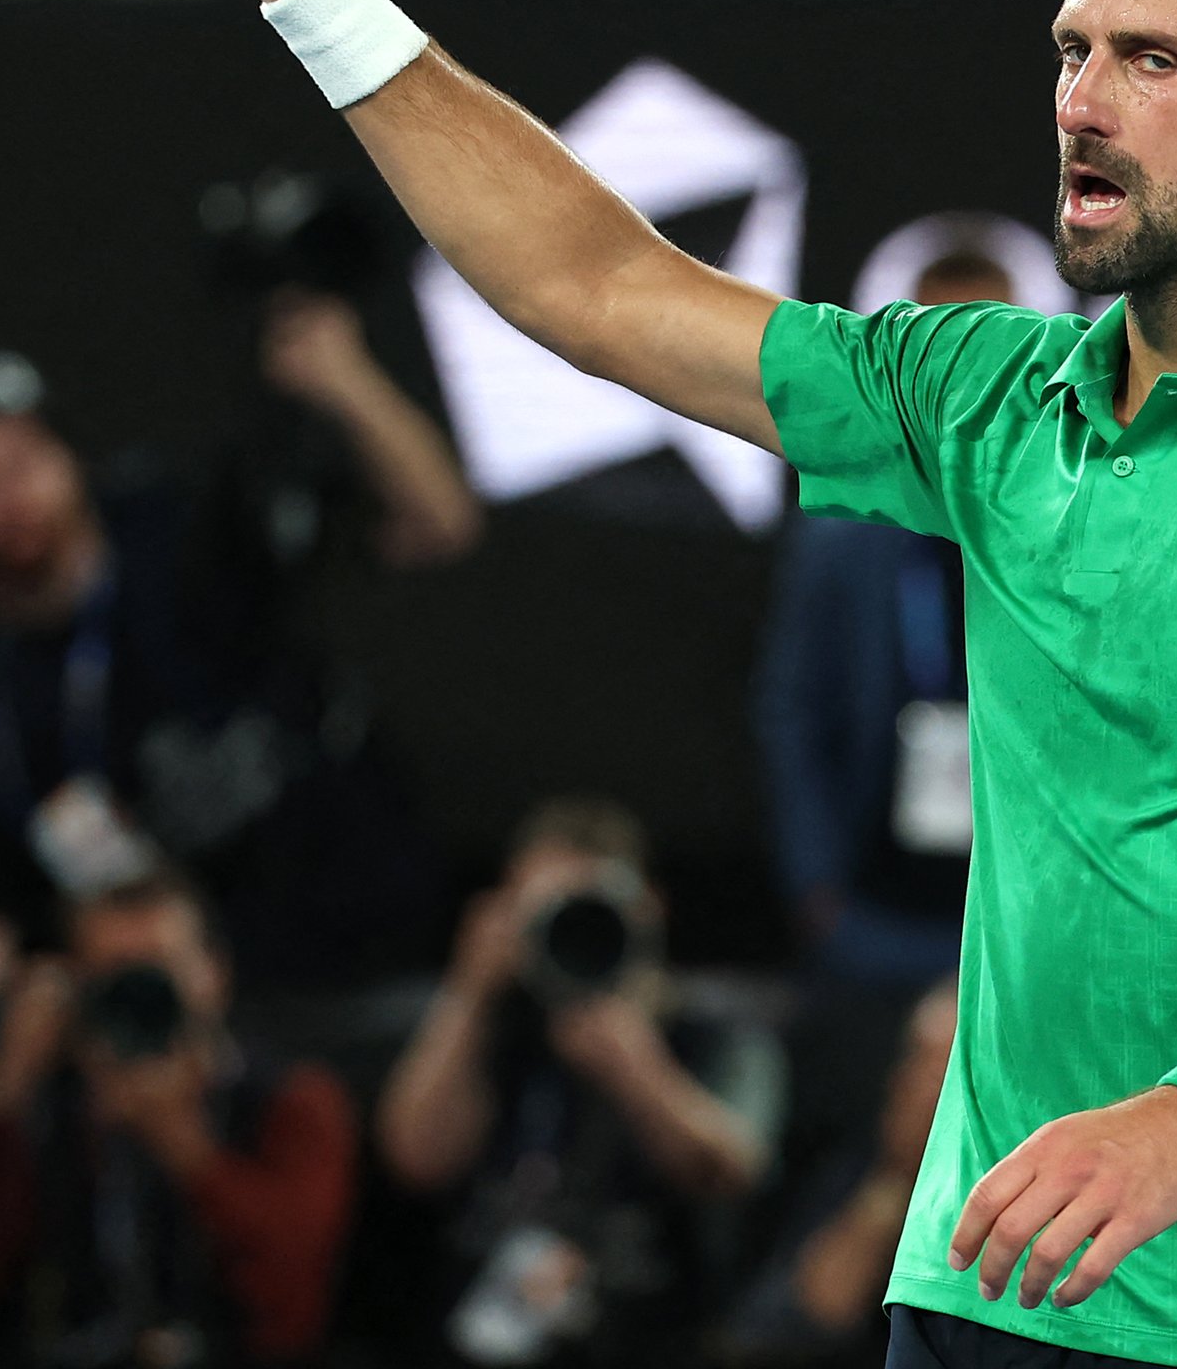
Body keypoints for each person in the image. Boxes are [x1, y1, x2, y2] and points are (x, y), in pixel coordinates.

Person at [149, 0, 1177, 1368]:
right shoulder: (982, 397)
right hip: (991, 1293)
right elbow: (595, 287)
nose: (1085, 104)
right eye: (1074, 50)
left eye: (1154, 60)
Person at [0, 340, 470, 994]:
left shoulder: (188, 533)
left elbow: (437, 524)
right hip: (172, 1009)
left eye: (22, 460)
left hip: (364, 926)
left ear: (70, 457)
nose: (7, 497)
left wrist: (343, 376)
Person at [375, 798, 783, 1364]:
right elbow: (416, 1158)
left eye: (592, 907)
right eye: (544, 910)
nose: (572, 930)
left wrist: (637, 1070)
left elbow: (732, 1168)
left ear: (648, 909)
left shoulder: (714, 1036)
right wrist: (468, 993)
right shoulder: (490, 1029)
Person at [0, 868, 360, 1364]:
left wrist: (186, 1147)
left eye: (157, 971)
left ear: (213, 974)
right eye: (114, 974)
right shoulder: (51, 1109)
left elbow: (290, 1309)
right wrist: (9, 1087)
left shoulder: (293, 1102)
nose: (138, 997)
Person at [758, 254, 996, 997]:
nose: (960, 367)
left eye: (988, 339)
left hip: (1025, 923)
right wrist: (816, 888)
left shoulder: (1074, 521)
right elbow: (791, 710)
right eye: (936, 339)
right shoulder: (844, 526)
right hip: (871, 917)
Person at [719, 979, 961, 1367]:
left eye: (945, 1074)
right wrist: (896, 1178)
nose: (917, 1090)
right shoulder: (861, 1170)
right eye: (915, 1060)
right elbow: (790, 1326)